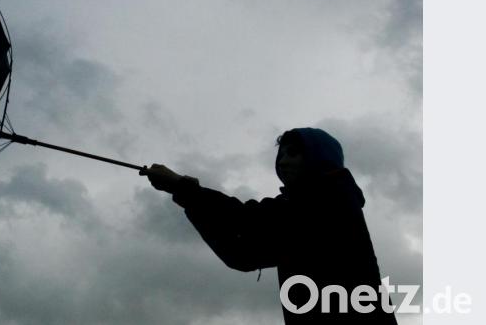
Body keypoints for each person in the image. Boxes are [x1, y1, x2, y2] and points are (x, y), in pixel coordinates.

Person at [141, 127, 398, 324]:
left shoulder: (331, 197)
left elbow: (248, 218)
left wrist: (182, 187)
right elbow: (240, 255)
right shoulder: (300, 211)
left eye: (294, 153)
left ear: (321, 158)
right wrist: (189, 199)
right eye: (281, 154)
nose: (282, 161)